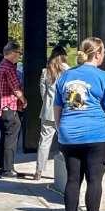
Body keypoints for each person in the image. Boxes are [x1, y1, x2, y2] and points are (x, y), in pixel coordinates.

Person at [54, 36, 105, 211]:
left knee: (72, 180)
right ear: (98, 54)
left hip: (69, 135)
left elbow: (57, 107)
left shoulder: (65, 76)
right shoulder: (104, 77)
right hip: (96, 134)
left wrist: (61, 130)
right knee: (94, 180)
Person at [0, 41, 27, 178]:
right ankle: (8, 170)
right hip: (10, 107)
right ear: (12, 53)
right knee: (11, 138)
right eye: (19, 53)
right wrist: (24, 101)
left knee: (5, 136)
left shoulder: (0, 66)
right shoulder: (9, 68)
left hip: (2, 107)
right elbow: (16, 88)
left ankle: (2, 166)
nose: (19, 56)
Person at [35, 46, 69, 181]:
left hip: (48, 111)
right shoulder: (68, 71)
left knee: (44, 141)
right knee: (65, 141)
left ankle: (38, 170)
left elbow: (42, 93)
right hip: (64, 112)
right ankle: (65, 169)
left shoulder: (45, 71)